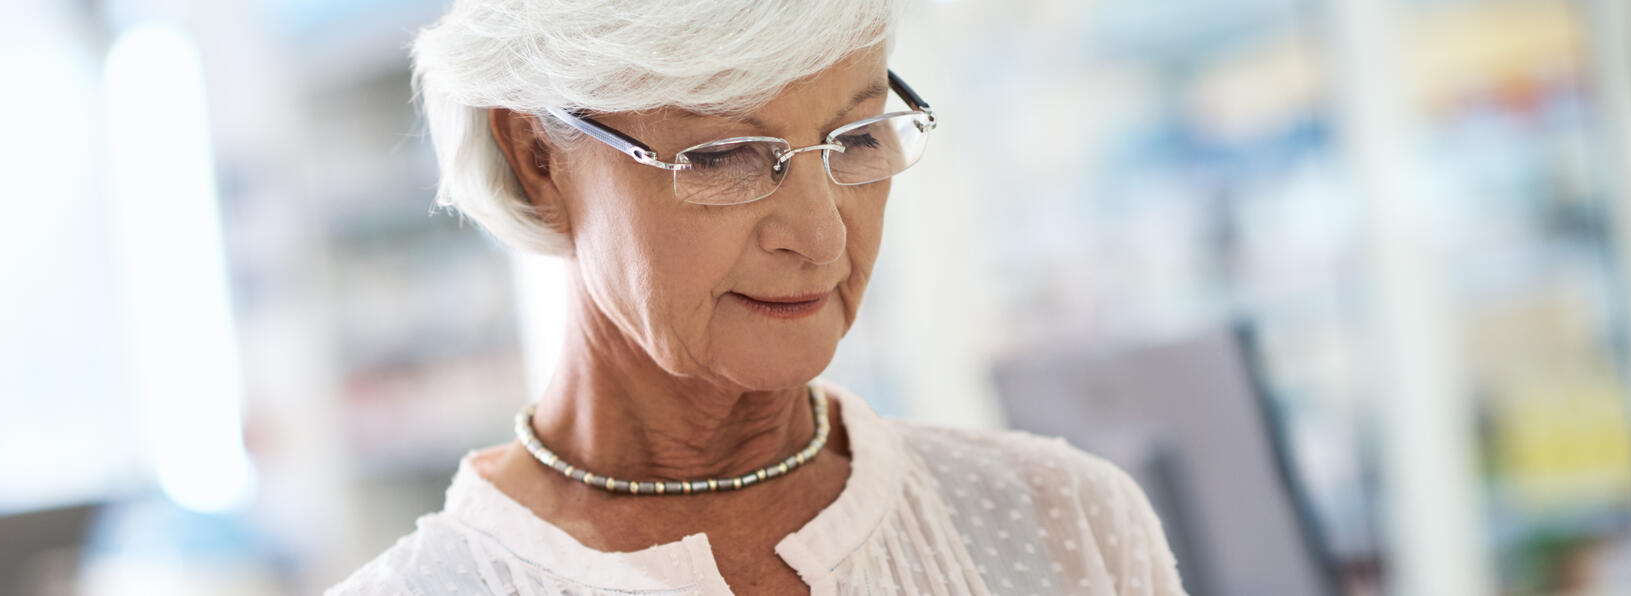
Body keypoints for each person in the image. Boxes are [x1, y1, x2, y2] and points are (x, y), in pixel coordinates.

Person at [329, 1, 1186, 593]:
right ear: (538, 157)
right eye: (726, 156)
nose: (821, 237)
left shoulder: (1061, 523)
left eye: (854, 139)